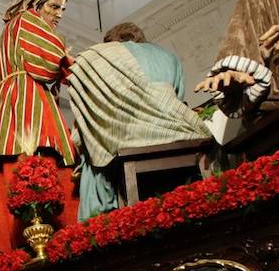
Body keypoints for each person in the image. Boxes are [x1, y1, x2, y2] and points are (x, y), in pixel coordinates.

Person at [69, 21, 211, 220]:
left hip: (129, 137)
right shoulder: (168, 56)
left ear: (112, 43)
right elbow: (178, 98)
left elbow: (94, 110)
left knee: (94, 156)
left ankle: (103, 221)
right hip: (180, 131)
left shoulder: (102, 56)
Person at [0, 0, 78, 253]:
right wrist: (71, 64)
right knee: (40, 157)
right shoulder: (28, 19)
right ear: (36, 3)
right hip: (27, 97)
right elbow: (48, 61)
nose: (58, 14)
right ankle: (48, 237)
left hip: (6, 102)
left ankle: (6, 244)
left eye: (62, 9)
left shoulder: (9, 30)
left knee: (6, 166)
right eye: (54, 6)